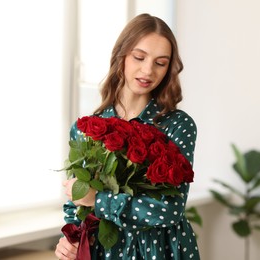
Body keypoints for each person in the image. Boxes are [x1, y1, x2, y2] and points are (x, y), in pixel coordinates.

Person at [55, 13, 200, 260]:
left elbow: (169, 211)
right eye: (139, 57)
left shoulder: (178, 125)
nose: (147, 70)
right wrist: (70, 242)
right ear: (121, 55)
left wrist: (99, 200)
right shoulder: (85, 129)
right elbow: (75, 205)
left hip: (161, 250)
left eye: (160, 63)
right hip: (105, 250)